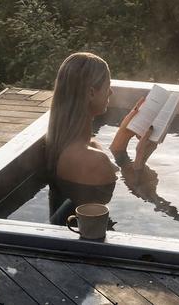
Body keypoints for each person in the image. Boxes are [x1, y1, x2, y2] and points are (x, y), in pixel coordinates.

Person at [46, 51, 158, 222]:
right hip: (93, 241)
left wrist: (122, 139)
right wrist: (141, 160)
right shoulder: (92, 160)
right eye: (107, 87)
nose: (111, 92)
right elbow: (139, 196)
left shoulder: (71, 144)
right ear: (91, 93)